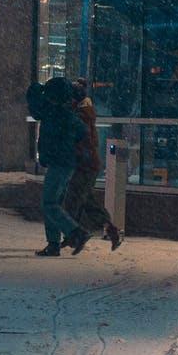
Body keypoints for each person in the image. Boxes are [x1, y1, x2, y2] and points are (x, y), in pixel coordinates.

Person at [61, 78, 123, 251]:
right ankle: (109, 230)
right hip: (87, 164)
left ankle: (75, 234)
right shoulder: (83, 112)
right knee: (86, 201)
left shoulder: (81, 115)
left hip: (85, 165)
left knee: (73, 200)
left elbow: (81, 140)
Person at [25, 77, 82, 255]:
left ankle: (74, 232)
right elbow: (82, 132)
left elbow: (35, 106)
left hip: (58, 163)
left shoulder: (52, 111)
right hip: (66, 162)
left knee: (49, 204)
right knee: (54, 204)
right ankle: (54, 244)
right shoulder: (67, 113)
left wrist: (36, 88)